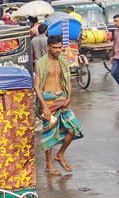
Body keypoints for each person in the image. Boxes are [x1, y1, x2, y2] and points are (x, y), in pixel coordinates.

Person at [34, 35, 84, 175]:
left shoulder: (63, 61)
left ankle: (60, 154)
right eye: (55, 48)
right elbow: (37, 87)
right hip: (48, 101)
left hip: (62, 99)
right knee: (49, 132)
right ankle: (49, 164)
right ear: (48, 47)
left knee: (74, 128)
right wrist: (44, 106)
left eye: (60, 47)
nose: (58, 50)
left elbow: (67, 81)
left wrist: (68, 97)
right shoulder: (41, 64)